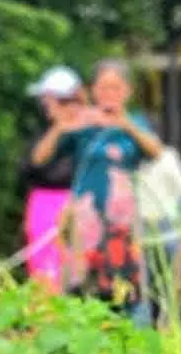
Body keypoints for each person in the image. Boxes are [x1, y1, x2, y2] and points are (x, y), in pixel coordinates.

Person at [57, 58, 164, 316]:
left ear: (127, 91)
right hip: (87, 217)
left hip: (122, 221)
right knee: (83, 287)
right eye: (104, 88)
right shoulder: (83, 124)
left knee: (123, 286)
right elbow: (43, 158)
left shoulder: (135, 123)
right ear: (93, 90)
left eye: (116, 88)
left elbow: (156, 151)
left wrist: (125, 123)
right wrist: (68, 124)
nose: (109, 94)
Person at [22, 65, 86, 292]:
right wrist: (59, 127)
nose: (45, 106)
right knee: (44, 275)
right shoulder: (46, 134)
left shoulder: (87, 132)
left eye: (49, 100)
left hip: (78, 207)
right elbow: (32, 165)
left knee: (77, 274)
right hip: (43, 208)